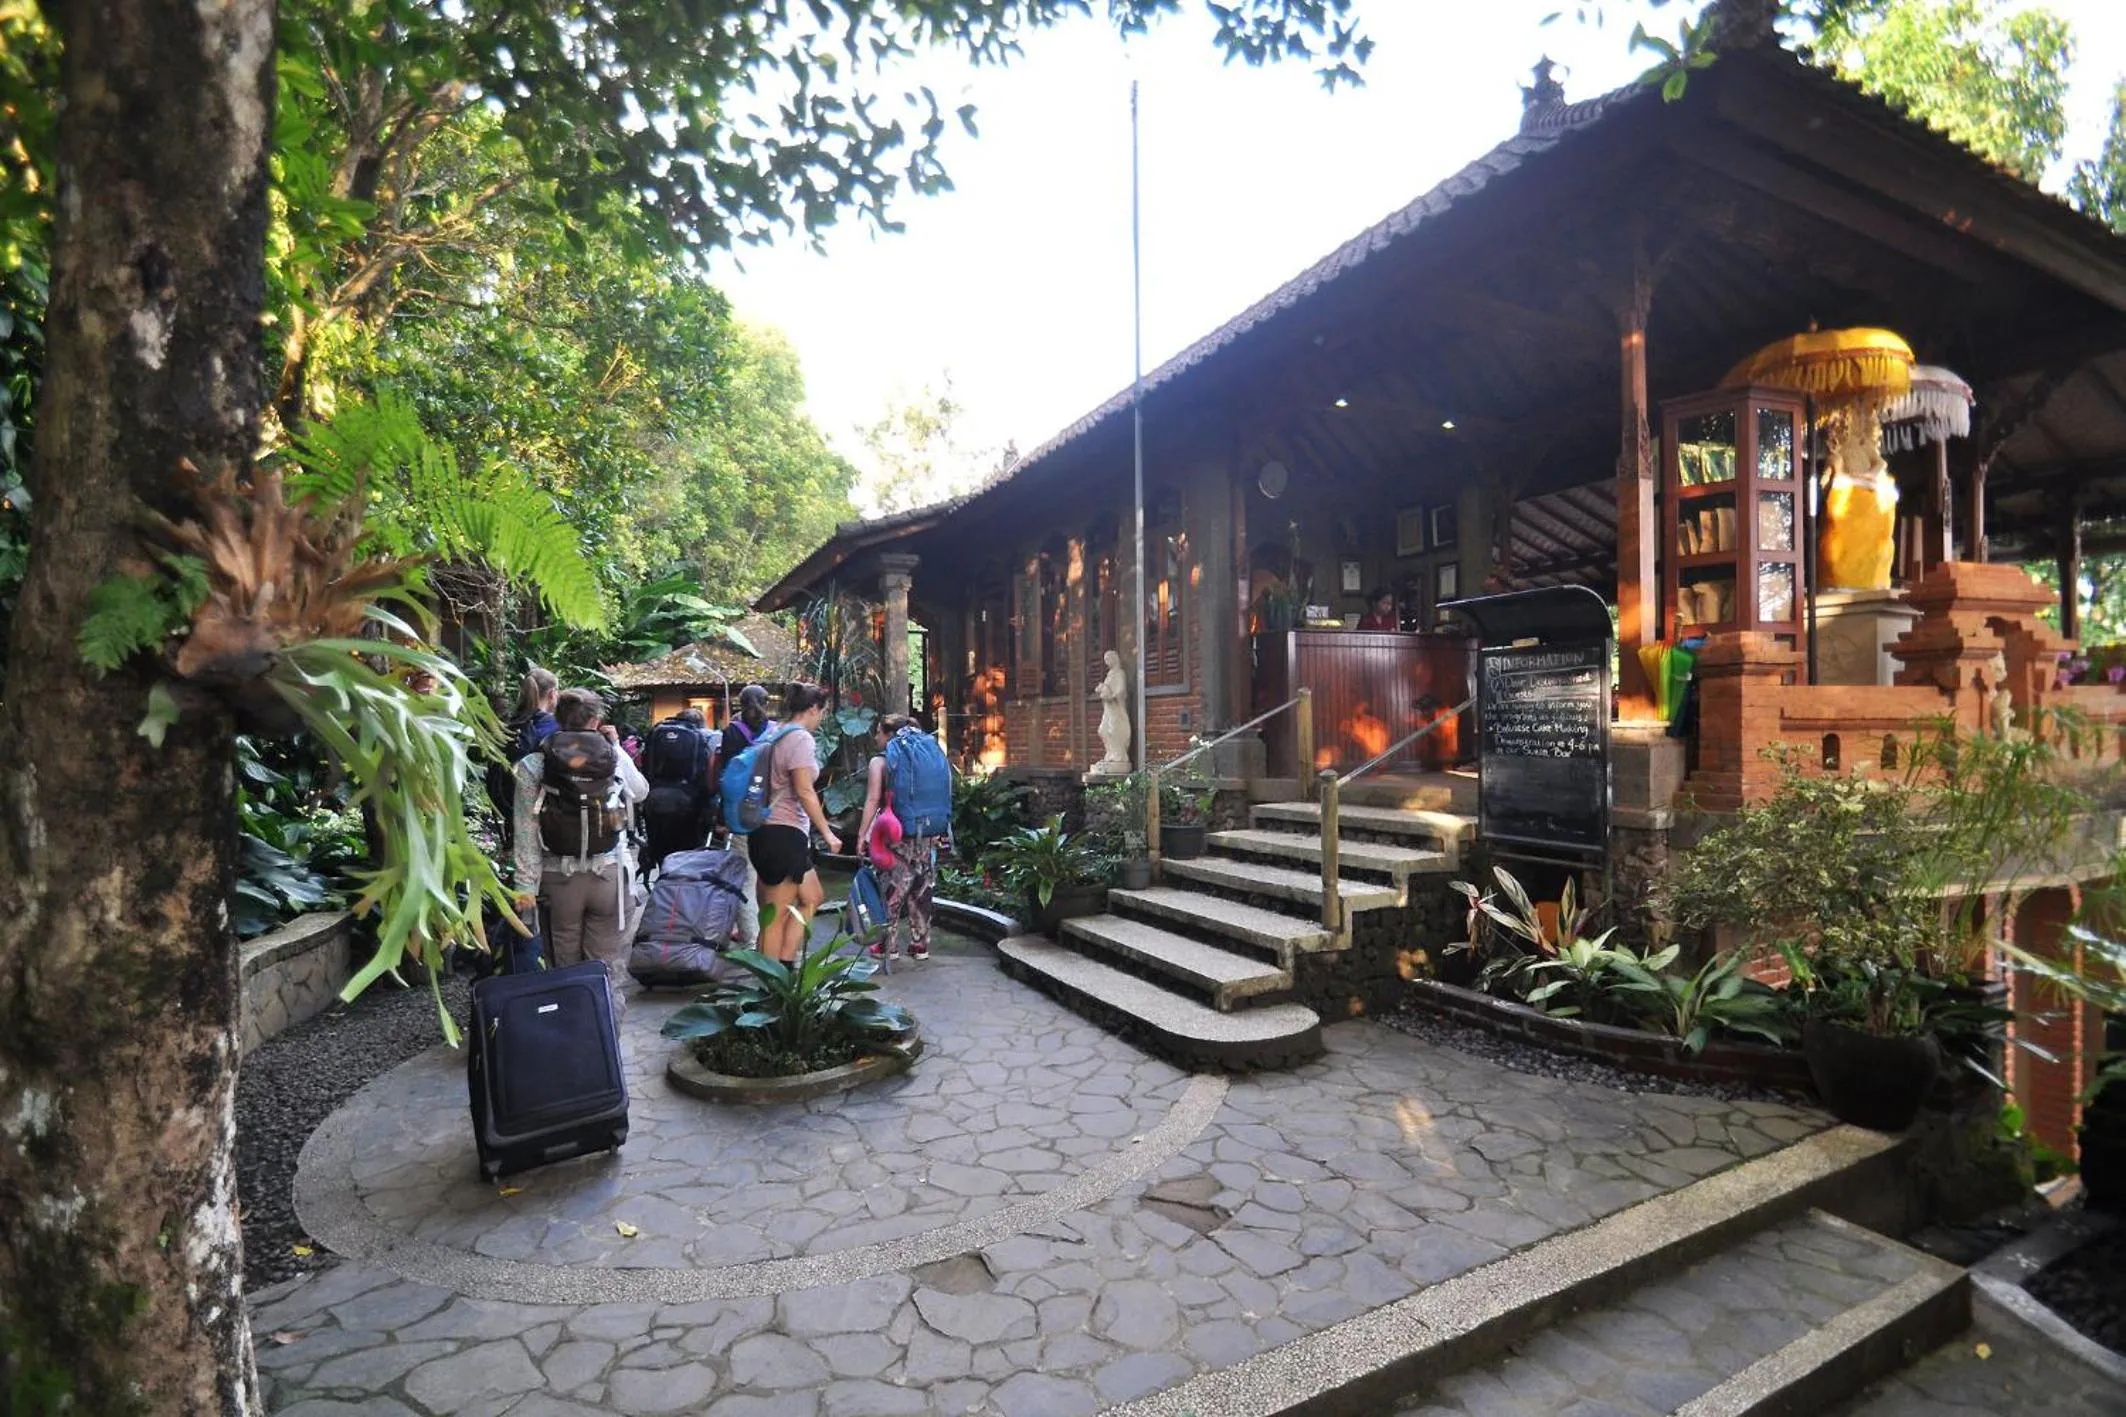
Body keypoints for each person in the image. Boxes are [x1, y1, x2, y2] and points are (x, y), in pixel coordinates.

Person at [511, 688, 649, 1014]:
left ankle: (574, 1050)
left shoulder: (535, 764)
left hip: (559, 880)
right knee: (606, 972)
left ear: (558, 718)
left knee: (565, 973)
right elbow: (640, 791)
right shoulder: (612, 757)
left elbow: (526, 832)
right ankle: (607, 1052)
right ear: (596, 720)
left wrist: (525, 888)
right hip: (610, 877)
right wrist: (616, 745)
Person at [748, 683, 841, 964]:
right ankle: (771, 985)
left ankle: (785, 962)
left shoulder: (774, 732)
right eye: (822, 713)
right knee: (774, 916)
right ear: (813, 709)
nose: (821, 718)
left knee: (812, 897)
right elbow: (804, 790)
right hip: (783, 834)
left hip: (767, 832)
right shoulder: (800, 738)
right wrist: (828, 832)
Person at [856, 714, 946, 963]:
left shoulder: (880, 762)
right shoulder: (925, 757)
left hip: (894, 833)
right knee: (921, 886)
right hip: (926, 832)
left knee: (892, 888)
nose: (875, 737)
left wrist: (863, 834)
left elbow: (873, 800)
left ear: (888, 734)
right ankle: (920, 944)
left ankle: (888, 945)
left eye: (878, 732)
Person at [719, 685, 775, 947]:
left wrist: (722, 817)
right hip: (771, 810)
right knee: (772, 878)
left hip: (740, 814)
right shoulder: (775, 731)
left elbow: (725, 777)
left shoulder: (731, 732)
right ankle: (773, 935)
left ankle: (750, 937)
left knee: (746, 879)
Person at [487, 667, 559, 850]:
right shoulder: (557, 729)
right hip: (550, 823)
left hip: (515, 816)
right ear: (553, 694)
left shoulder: (509, 727)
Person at [640, 707, 716, 874]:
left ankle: (663, 882)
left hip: (655, 800)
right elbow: (706, 776)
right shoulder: (702, 737)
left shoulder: (657, 735)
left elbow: (644, 768)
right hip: (688, 802)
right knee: (687, 852)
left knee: (661, 848)